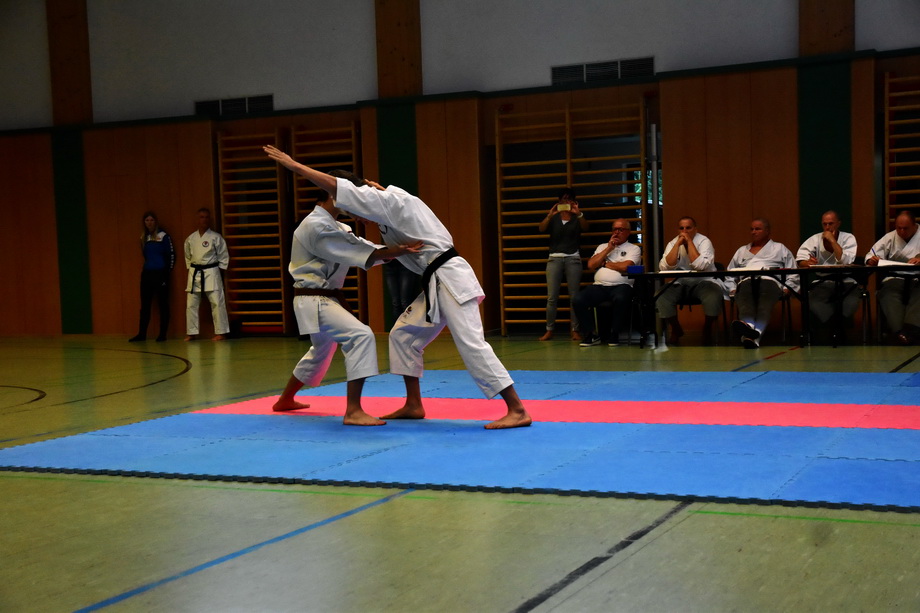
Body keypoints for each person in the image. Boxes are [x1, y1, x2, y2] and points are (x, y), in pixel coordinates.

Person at [264, 145, 532, 430]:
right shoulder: (391, 204)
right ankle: (414, 404)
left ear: (364, 198)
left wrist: (296, 167)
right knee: (402, 335)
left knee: (470, 342)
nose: (358, 219)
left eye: (358, 208)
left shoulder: (390, 203)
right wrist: (390, 250)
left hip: (449, 277)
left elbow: (340, 189)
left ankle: (516, 408)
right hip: (434, 282)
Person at [272, 191, 422, 425]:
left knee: (320, 350)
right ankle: (353, 410)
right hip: (314, 298)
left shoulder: (338, 227)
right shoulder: (315, 225)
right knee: (360, 335)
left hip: (323, 298)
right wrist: (398, 251)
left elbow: (365, 247)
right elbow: (358, 252)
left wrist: (398, 250)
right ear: (333, 195)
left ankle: (285, 400)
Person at [727, 218, 798, 349]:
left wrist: (788, 287)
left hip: (770, 281)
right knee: (744, 300)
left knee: (764, 304)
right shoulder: (742, 251)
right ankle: (753, 336)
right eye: (752, 229)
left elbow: (792, 271)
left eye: (758, 229)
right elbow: (730, 273)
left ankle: (749, 332)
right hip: (746, 281)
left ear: (767, 231)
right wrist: (732, 288)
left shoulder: (779, 248)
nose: (754, 232)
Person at [573, 219, 641, 347]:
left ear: (628, 232)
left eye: (620, 229)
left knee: (621, 298)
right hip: (599, 286)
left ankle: (614, 334)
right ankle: (591, 334)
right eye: (614, 229)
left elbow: (626, 267)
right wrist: (609, 249)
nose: (617, 232)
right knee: (578, 299)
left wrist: (604, 263)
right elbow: (591, 264)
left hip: (622, 286)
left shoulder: (634, 248)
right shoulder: (603, 246)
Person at [656, 216, 723, 345]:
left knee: (713, 295)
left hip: (704, 280)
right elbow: (664, 266)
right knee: (661, 295)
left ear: (695, 229)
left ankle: (707, 328)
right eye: (681, 228)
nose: (685, 231)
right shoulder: (673, 242)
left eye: (688, 228)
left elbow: (700, 265)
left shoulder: (704, 241)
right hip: (681, 281)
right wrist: (677, 244)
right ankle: (676, 329)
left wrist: (690, 242)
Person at [795, 210, 859, 335]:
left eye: (831, 223)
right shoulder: (815, 239)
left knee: (851, 302)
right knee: (813, 301)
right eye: (825, 224)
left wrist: (832, 241)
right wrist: (807, 262)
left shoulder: (848, 238)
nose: (828, 227)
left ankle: (837, 327)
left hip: (846, 281)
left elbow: (844, 259)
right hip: (823, 281)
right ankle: (834, 325)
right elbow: (800, 259)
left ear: (838, 223)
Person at [537, 187, 587, 341]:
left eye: (569, 199)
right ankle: (549, 329)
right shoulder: (554, 217)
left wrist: (578, 213)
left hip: (573, 258)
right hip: (554, 258)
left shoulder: (577, 217)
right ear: (559, 201)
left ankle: (575, 330)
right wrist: (550, 215)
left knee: (574, 297)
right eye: (563, 199)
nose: (566, 202)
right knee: (552, 297)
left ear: (574, 201)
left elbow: (586, 228)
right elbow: (541, 229)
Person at [865, 210, 920, 345]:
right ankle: (900, 332)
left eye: (905, 228)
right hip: (895, 278)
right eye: (898, 228)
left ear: (915, 225)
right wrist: (871, 260)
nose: (901, 231)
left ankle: (910, 330)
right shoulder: (889, 238)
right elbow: (870, 255)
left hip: (918, 279)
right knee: (887, 294)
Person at [184, 208, 230, 341]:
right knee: (191, 304)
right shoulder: (190, 239)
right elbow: (188, 257)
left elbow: (223, 257)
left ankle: (221, 332)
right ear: (197, 219)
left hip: (211, 272)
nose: (204, 220)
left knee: (217, 302)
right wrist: (191, 268)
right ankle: (191, 332)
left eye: (206, 217)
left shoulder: (216, 237)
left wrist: (219, 272)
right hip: (195, 272)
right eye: (201, 217)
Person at [129, 211, 174, 342]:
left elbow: (171, 255)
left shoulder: (164, 236)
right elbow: (145, 255)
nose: (149, 223)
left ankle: (162, 334)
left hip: (161, 274)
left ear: (156, 221)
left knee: (163, 304)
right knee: (145, 305)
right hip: (147, 274)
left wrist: (166, 273)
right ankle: (142, 334)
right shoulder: (144, 237)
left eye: (152, 220)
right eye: (147, 220)